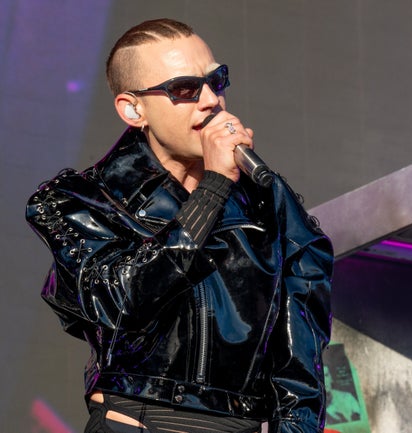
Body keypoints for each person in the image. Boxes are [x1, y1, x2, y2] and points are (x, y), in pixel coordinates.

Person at [26, 18, 333, 433]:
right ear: (134, 109)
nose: (211, 100)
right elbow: (121, 298)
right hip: (138, 420)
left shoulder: (269, 203)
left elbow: (300, 365)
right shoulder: (80, 200)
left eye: (216, 80)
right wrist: (214, 188)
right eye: (185, 89)